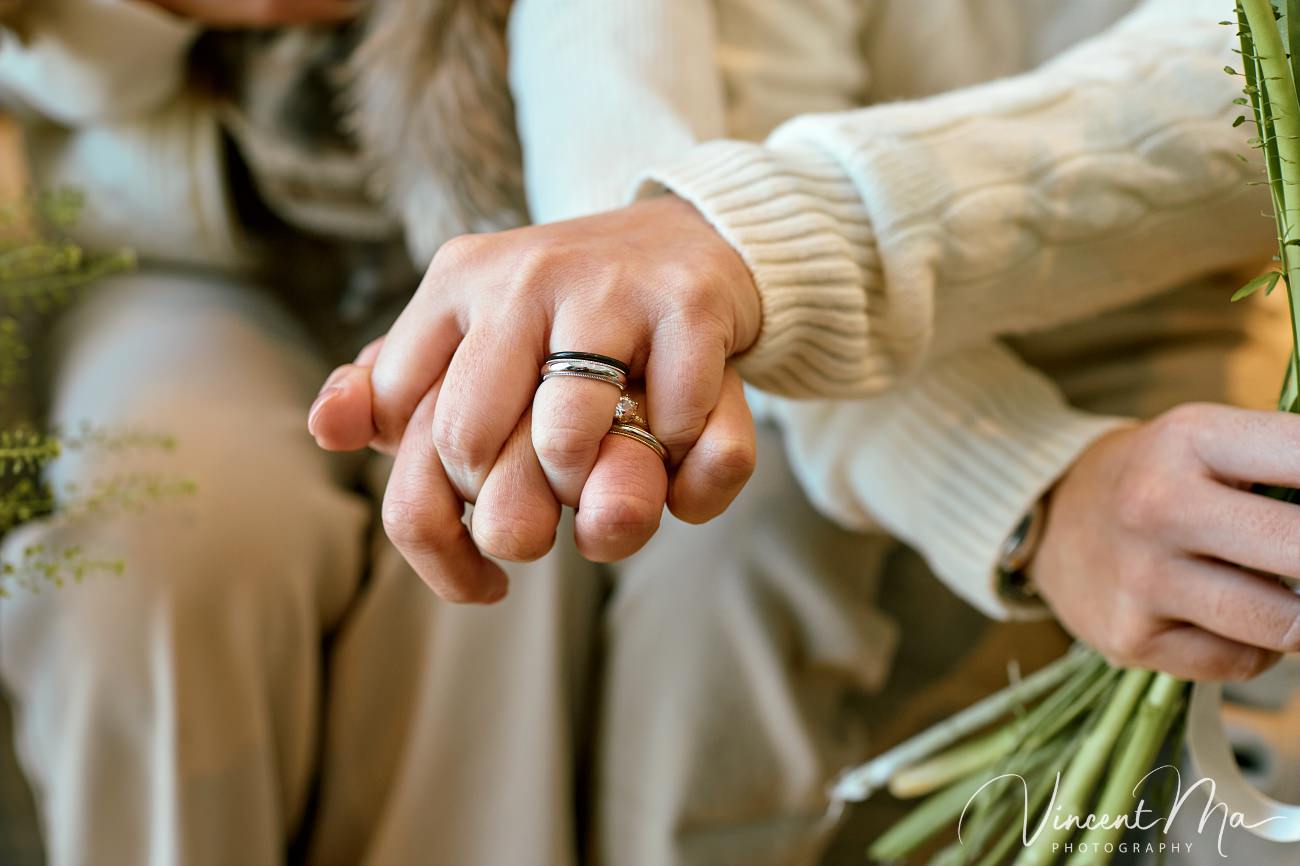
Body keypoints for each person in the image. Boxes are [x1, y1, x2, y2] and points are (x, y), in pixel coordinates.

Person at [0, 3, 1290, 866]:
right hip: (206, 257)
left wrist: (1037, 488)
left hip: (576, 246)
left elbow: (643, 207)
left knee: (586, 528)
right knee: (182, 545)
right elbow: (653, 202)